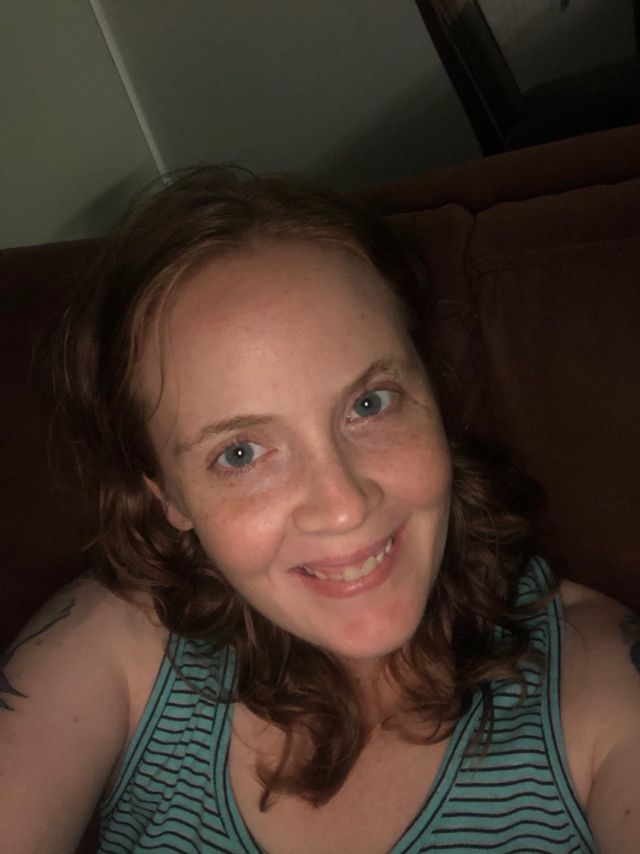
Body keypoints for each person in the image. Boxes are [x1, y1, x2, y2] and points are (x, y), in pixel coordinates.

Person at [1, 168, 638, 854]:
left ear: (430, 391)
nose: (342, 507)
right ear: (169, 498)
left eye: (369, 404)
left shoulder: (598, 680)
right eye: (241, 453)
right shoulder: (112, 647)